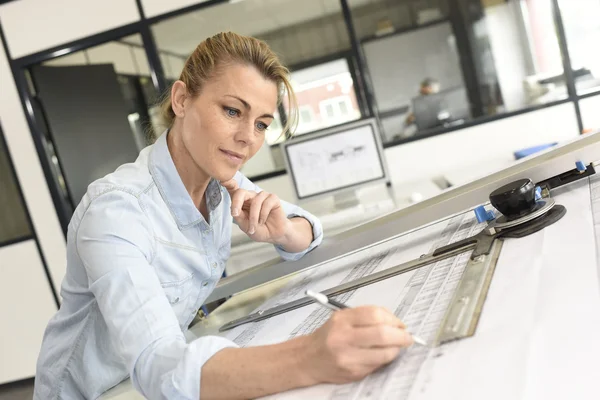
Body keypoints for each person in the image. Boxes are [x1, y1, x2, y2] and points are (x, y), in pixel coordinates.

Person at [33, 32, 414, 400]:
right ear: (182, 100)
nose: (248, 137)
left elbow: (306, 230)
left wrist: (282, 232)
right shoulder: (116, 211)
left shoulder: (221, 179)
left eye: (262, 123)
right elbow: (158, 366)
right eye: (232, 111)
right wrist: (310, 357)